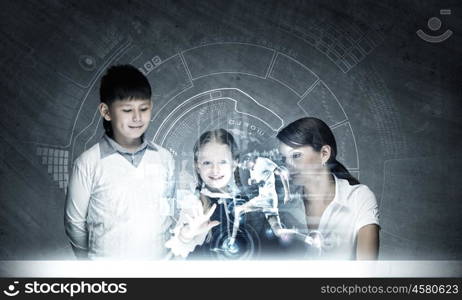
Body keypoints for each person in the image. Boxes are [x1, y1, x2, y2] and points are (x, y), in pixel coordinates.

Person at [64, 64, 176, 260]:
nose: (137, 117)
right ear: (106, 112)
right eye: (127, 110)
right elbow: (74, 223)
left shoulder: (164, 158)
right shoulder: (88, 163)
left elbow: (171, 213)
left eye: (144, 108)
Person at [276, 117, 380, 260]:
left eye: (296, 155)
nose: (288, 165)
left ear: (324, 153)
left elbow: (367, 271)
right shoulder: (281, 205)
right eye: (284, 159)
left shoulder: (358, 197)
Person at [166, 129, 255, 259]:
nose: (215, 170)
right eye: (207, 162)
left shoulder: (248, 202)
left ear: (234, 164)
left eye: (222, 162)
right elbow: (178, 251)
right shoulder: (194, 204)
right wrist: (187, 234)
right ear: (198, 166)